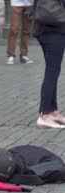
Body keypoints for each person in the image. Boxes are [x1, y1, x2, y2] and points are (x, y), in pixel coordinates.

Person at [33, 0, 65, 129]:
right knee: (52, 72)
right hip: (54, 30)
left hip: (44, 29)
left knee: (53, 70)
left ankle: (52, 111)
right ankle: (45, 115)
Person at [6, 0, 34, 65]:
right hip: (16, 4)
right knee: (14, 30)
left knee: (26, 31)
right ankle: (11, 55)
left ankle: (24, 55)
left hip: (29, 4)